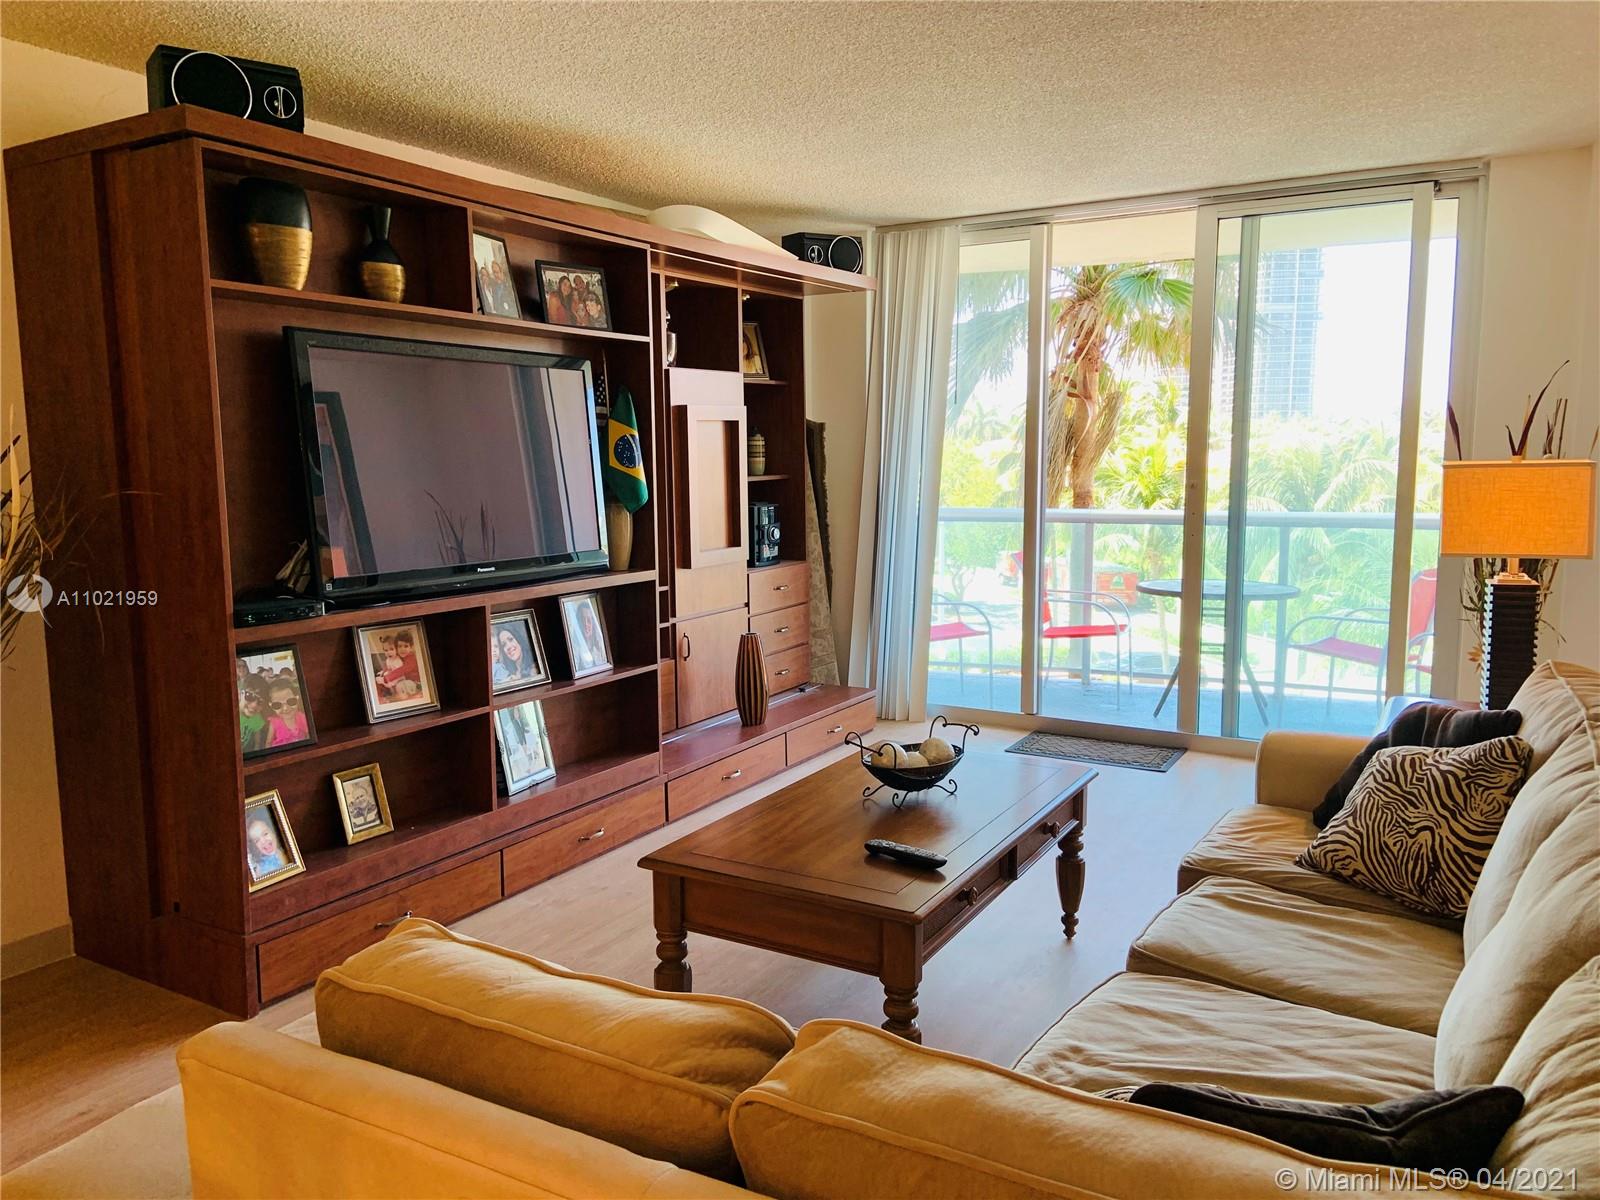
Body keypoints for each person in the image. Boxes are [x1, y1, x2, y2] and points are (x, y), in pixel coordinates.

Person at [265, 680, 309, 746]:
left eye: (291, 701)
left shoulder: (303, 717)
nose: (285, 708)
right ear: (271, 705)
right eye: (277, 705)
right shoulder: (274, 722)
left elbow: (309, 736)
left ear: (297, 699)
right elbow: (268, 743)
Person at [246, 814, 287, 880]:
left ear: (273, 832)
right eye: (257, 840)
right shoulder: (259, 870)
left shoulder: (287, 853)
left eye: (265, 834)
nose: (263, 841)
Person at [238, 680, 270, 753]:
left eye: (260, 702)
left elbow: (257, 738)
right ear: (240, 694)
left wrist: (256, 748)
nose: (254, 705)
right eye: (249, 696)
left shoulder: (257, 718)